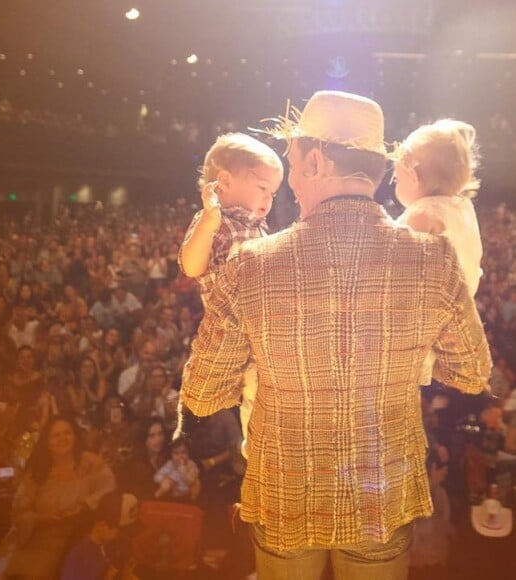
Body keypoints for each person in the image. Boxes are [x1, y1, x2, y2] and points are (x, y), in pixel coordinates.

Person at [180, 91, 491, 579]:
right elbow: (472, 374)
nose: (292, 184)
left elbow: (200, 396)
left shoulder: (251, 265)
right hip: (382, 497)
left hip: (285, 497)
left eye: (295, 164)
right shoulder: (434, 257)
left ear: (318, 161)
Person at [177, 132, 284, 453]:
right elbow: (191, 266)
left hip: (261, 322)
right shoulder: (212, 220)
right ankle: (254, 452)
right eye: (263, 188)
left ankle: (264, 447)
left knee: (264, 389)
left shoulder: (259, 225)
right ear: (224, 181)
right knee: (248, 391)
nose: (268, 199)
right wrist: (209, 221)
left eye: (274, 193)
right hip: (230, 326)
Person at [393, 119, 484, 385]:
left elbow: (391, 257)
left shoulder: (423, 214)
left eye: (396, 178)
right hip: (449, 317)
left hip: (417, 320)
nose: (395, 184)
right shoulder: (463, 208)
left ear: (413, 175)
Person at [0, 417, 116, 580]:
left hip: (73, 537)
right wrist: (41, 518)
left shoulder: (91, 462)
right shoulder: (38, 471)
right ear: (47, 442)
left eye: (67, 433)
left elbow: (109, 489)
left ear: (75, 436)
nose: (62, 438)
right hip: (33, 537)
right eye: (56, 435)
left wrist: (85, 505)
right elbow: (19, 513)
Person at [61, 491, 139, 580]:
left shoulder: (111, 548)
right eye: (120, 530)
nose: (121, 535)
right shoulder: (79, 555)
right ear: (103, 524)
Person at [154, 436, 200, 502]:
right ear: (171, 455)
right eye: (176, 453)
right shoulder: (170, 464)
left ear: (188, 453)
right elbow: (157, 476)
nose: (180, 456)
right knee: (166, 484)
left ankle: (192, 503)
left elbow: (191, 480)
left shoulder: (191, 465)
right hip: (172, 494)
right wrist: (165, 480)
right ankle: (156, 497)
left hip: (187, 494)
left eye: (183, 452)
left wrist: (183, 470)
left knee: (197, 484)